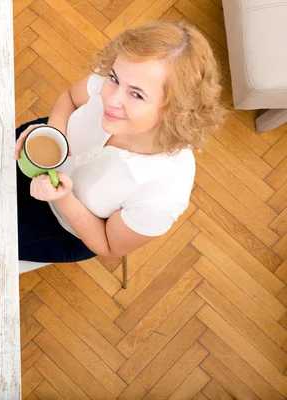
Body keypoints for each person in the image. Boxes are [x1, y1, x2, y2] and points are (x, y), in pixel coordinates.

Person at [15, 20, 226, 272]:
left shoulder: (165, 193)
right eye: (114, 79)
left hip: (58, 223)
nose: (110, 99)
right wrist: (52, 133)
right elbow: (70, 97)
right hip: (36, 150)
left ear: (175, 111)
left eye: (136, 95)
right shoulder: (124, 78)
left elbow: (108, 245)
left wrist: (62, 197)